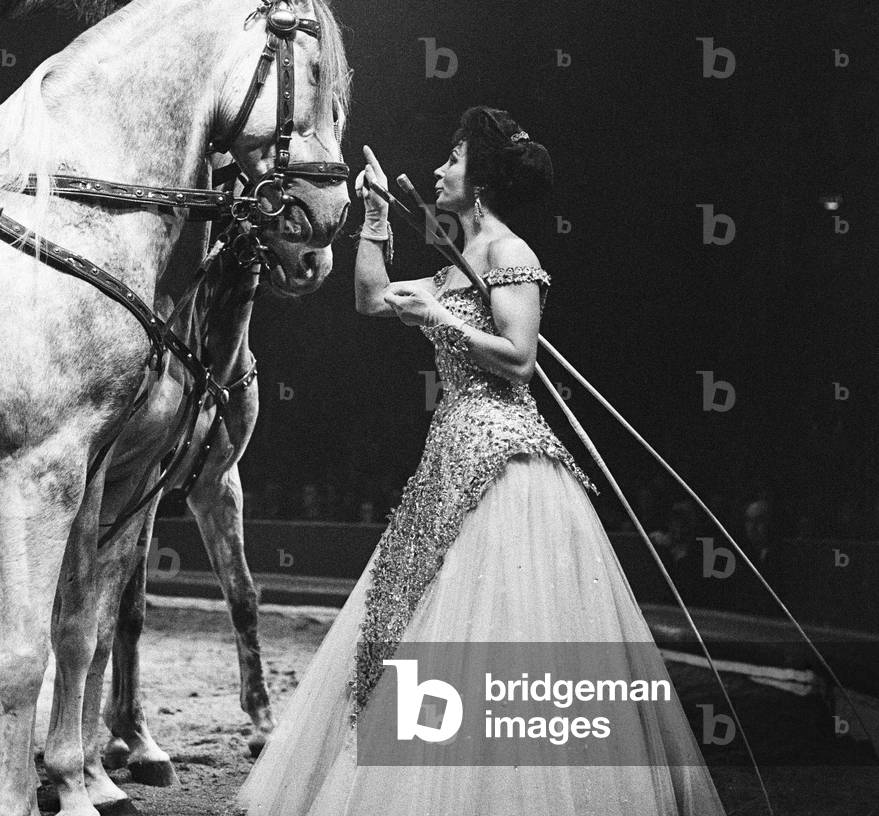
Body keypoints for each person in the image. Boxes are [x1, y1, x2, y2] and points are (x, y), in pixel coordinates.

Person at [236, 106, 726, 815]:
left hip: (507, 462)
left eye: (453, 158)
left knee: (493, 622)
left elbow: (520, 360)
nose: (438, 170)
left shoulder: (508, 253)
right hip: (449, 455)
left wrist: (437, 318)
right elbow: (373, 300)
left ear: (483, 181)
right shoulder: (451, 268)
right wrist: (373, 216)